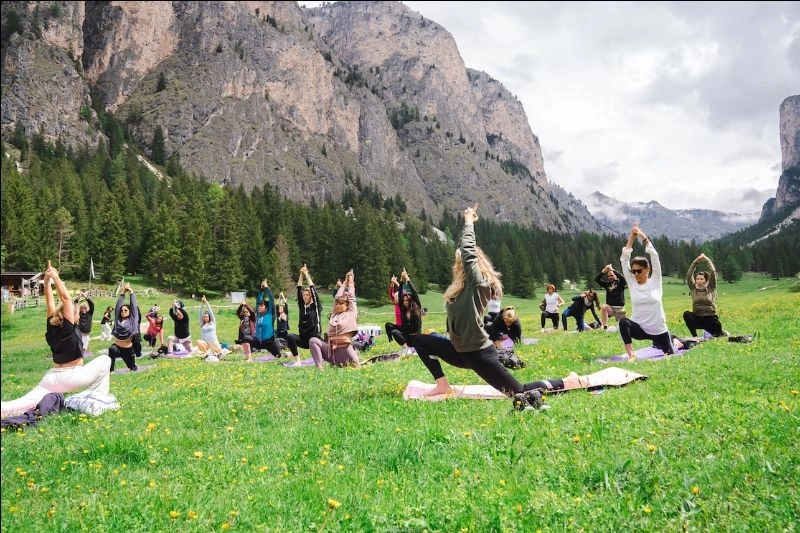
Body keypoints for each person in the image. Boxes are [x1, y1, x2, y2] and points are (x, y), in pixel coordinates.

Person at [411, 205, 550, 411]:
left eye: (461, 262)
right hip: (459, 351)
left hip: (479, 353)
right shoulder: (462, 288)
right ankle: (442, 385)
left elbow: (468, 253)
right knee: (421, 341)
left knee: (518, 391)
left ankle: (560, 384)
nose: (457, 264)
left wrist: (468, 222)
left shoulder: (479, 285)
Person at [1, 261, 112, 419]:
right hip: (72, 377)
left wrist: (46, 283)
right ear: (70, 315)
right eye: (77, 314)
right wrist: (56, 278)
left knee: (18, 405)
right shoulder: (69, 328)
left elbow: (50, 302)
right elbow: (66, 300)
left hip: (51, 378)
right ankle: (97, 401)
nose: (79, 316)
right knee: (105, 359)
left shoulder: (52, 326)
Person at [618, 223, 674, 360]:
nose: (635, 274)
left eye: (639, 271)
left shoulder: (655, 280)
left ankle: (675, 341)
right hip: (640, 328)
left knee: (670, 353)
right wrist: (632, 237)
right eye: (633, 271)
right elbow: (624, 259)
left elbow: (654, 255)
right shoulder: (632, 283)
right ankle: (631, 354)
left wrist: (642, 236)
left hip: (658, 330)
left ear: (647, 269)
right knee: (623, 322)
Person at [308, 269, 360, 369]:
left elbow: (352, 297)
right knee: (313, 341)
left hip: (346, 354)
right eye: (337, 304)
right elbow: (337, 297)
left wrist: (350, 282)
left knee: (355, 366)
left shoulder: (351, 313)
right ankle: (320, 369)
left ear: (347, 305)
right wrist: (344, 282)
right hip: (332, 353)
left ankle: (351, 362)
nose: (338, 305)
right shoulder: (334, 314)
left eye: (341, 304)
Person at [285, 264, 323, 367]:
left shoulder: (316, 306)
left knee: (327, 354)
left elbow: (313, 291)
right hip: (304, 339)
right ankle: (298, 361)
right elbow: (298, 289)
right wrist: (301, 275)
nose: (305, 297)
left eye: (307, 295)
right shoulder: (303, 307)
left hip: (315, 339)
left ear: (311, 296)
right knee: (290, 337)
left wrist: (306, 274)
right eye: (304, 295)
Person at [683, 253, 727, 337]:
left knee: (719, 336)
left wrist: (706, 259)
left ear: (706, 280)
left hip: (711, 319)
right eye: (697, 279)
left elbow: (713, 272)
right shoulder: (693, 289)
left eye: (701, 279)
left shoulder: (711, 287)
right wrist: (696, 262)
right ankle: (695, 337)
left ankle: (722, 333)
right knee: (687, 314)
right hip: (698, 318)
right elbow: (689, 275)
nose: (699, 281)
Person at [386, 268, 423, 356]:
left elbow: (414, 293)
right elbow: (399, 295)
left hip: (417, 337)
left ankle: (415, 349)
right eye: (404, 300)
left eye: (407, 301)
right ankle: (408, 349)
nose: (405, 302)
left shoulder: (417, 308)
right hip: (408, 338)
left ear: (411, 302)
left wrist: (407, 280)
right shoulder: (403, 310)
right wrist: (401, 281)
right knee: (394, 332)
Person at [109, 282, 140, 372]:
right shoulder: (118, 320)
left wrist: (131, 291)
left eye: (125, 310)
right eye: (122, 310)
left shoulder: (133, 319)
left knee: (132, 368)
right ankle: (111, 371)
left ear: (130, 312)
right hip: (117, 348)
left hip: (128, 350)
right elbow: (118, 305)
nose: (123, 311)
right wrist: (122, 292)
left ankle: (133, 365)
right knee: (112, 349)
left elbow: (133, 305)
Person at [251, 279, 284, 358]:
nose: (259, 307)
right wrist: (261, 290)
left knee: (278, 356)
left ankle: (287, 354)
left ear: (266, 308)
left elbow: (271, 301)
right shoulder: (258, 314)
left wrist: (267, 289)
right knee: (247, 339)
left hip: (269, 341)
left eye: (262, 306)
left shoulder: (270, 314)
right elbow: (258, 300)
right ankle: (249, 356)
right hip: (258, 341)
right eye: (259, 305)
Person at [595, 264, 627, 330]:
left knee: (622, 327)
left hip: (620, 308)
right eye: (609, 276)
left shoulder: (620, 283)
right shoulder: (607, 284)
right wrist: (603, 271)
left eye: (612, 275)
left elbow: (622, 278)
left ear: (615, 275)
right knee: (604, 307)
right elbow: (597, 279)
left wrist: (612, 270)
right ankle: (605, 327)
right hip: (611, 308)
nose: (610, 277)